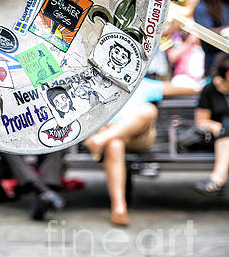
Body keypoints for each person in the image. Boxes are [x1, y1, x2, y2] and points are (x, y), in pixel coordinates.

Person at [84, 76, 197, 226]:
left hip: (136, 135)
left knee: (148, 110)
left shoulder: (140, 83)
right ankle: (119, 208)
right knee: (115, 144)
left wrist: (209, 83)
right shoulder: (92, 83)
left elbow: (177, 88)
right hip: (108, 135)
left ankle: (103, 139)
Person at [192, 54, 229, 196]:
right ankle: (217, 181)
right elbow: (201, 121)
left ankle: (216, 181)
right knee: (226, 126)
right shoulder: (210, 89)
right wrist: (213, 125)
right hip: (215, 139)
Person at [0, 151, 66, 221]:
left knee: (56, 145)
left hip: (40, 144)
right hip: (11, 145)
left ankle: (45, 194)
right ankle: (46, 192)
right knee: (8, 149)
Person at [193, 0, 229, 74]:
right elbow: (206, 33)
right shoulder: (202, 8)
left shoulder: (226, 3)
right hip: (215, 65)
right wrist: (225, 30)